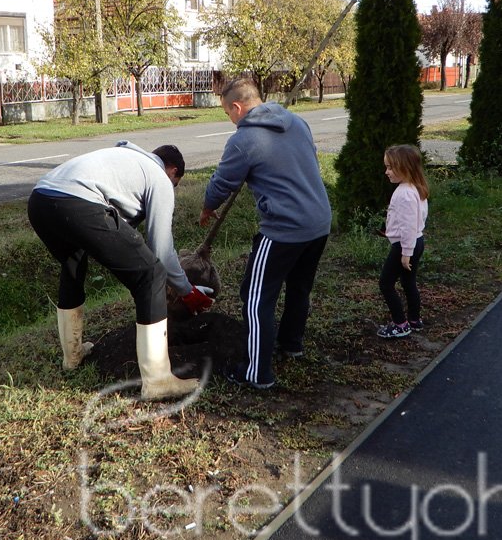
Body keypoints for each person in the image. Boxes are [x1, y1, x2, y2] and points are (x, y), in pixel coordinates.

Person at [27, 141, 213, 400]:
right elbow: (161, 251)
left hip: (41, 200)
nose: (172, 190)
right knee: (152, 275)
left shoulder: (127, 159)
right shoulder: (159, 178)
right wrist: (186, 291)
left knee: (73, 264)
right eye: (175, 184)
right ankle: (158, 380)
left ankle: (72, 355)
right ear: (172, 170)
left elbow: (121, 233)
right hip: (76, 202)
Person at [200, 78, 332, 389]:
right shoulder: (297, 122)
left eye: (228, 114)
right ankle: (291, 344)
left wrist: (207, 208)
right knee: (299, 288)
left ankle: (256, 373)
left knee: (255, 298)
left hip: (283, 229)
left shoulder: (243, 140)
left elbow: (222, 183)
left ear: (236, 107)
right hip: (318, 222)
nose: (230, 121)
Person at [376, 145, 429, 339]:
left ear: (405, 168)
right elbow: (414, 221)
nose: (386, 172)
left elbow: (407, 225)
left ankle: (400, 324)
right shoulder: (415, 188)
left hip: (405, 246)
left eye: (390, 167)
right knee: (408, 282)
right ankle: (414, 320)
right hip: (416, 241)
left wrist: (405, 252)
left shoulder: (404, 194)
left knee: (385, 284)